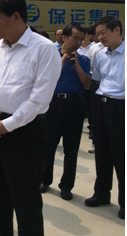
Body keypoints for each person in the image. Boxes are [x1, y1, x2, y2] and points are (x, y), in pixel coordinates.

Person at [0, 0, 61, 236]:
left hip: (24, 132)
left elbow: (39, 99)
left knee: (26, 199)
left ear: (16, 17)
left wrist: (7, 125)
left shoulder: (44, 49)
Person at [40, 24, 91, 201]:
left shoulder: (84, 60)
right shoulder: (51, 56)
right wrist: (60, 63)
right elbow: (44, 80)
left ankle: (66, 186)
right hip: (53, 103)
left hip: (74, 104)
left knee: (71, 148)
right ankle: (44, 179)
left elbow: (87, 85)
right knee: (48, 145)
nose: (78, 42)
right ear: (64, 38)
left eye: (81, 39)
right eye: (75, 38)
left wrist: (77, 66)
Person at [85, 16, 124, 220]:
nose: (99, 38)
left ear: (117, 30)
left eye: (103, 33)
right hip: (101, 105)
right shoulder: (100, 54)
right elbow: (97, 80)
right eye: (97, 34)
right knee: (102, 152)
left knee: (121, 155)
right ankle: (101, 193)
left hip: (121, 107)